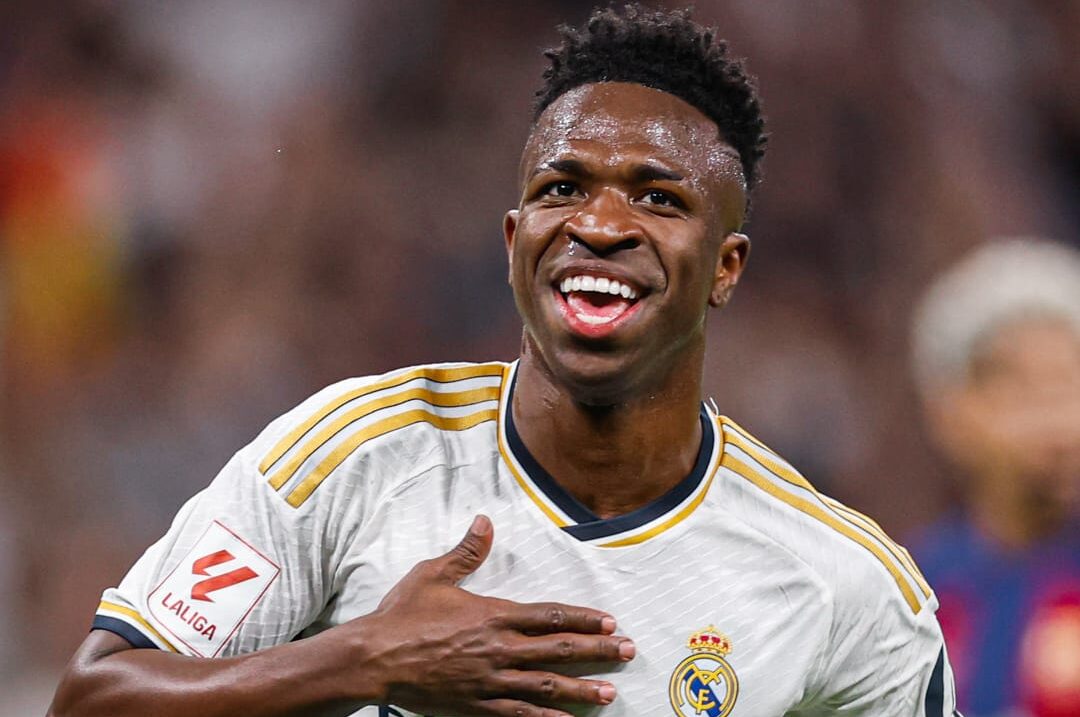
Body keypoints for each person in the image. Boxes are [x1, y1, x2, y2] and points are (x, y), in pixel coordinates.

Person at [50, 6, 958, 716]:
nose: (599, 224)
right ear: (515, 239)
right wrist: (365, 657)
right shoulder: (351, 457)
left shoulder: (840, 581)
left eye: (657, 197)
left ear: (727, 267)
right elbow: (94, 698)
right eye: (564, 188)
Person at [910, 238, 1080, 717]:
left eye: (1069, 384)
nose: (1057, 421)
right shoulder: (912, 592)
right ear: (948, 409)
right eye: (1024, 390)